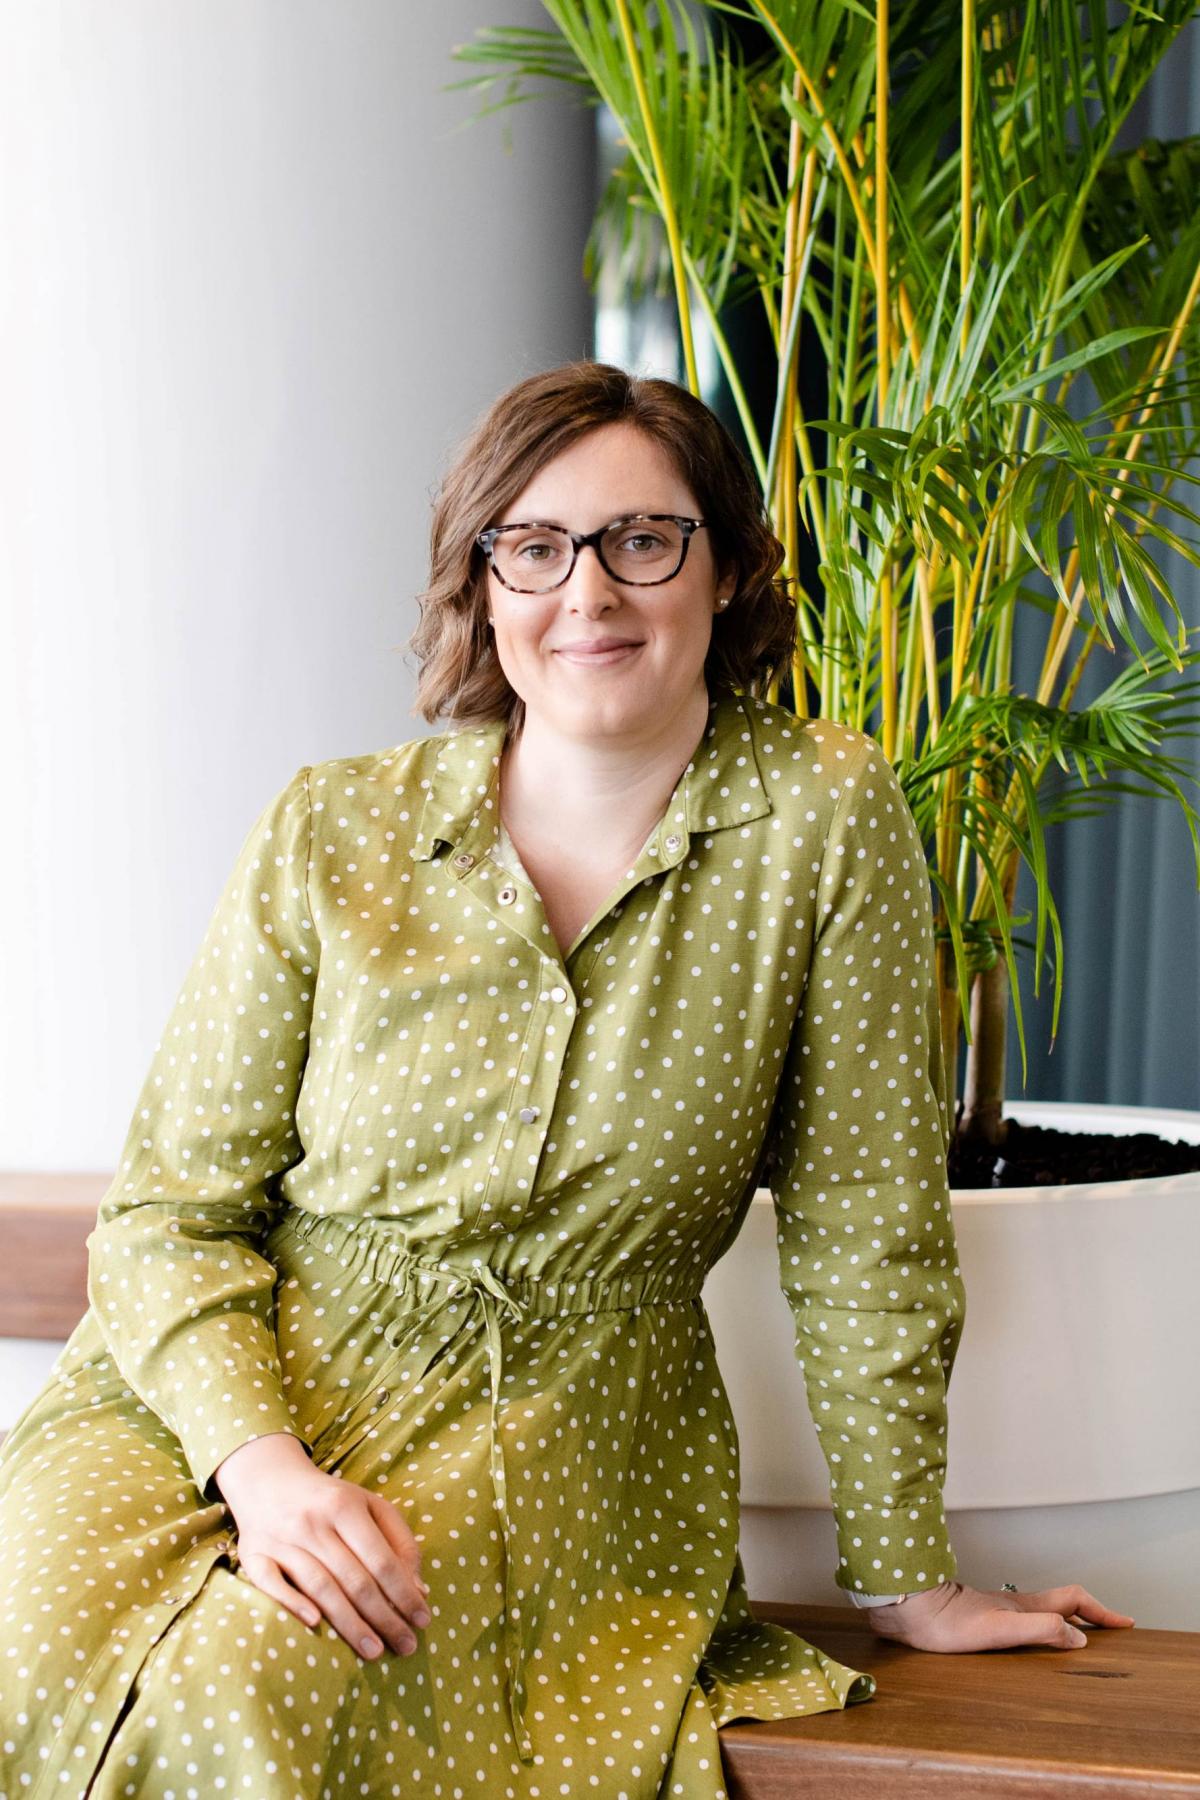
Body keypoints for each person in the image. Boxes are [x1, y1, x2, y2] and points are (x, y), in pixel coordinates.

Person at [0, 359, 1132, 1797]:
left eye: (640, 540)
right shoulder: (328, 824)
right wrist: (263, 1468)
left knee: (249, 1680)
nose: (586, 595)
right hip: (215, 1398)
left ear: (723, 571)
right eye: (532, 548)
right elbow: (169, 1212)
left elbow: (865, 1226)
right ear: (481, 584)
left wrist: (907, 1577)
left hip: (551, 1423)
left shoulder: (825, 819)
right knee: (16, 1633)